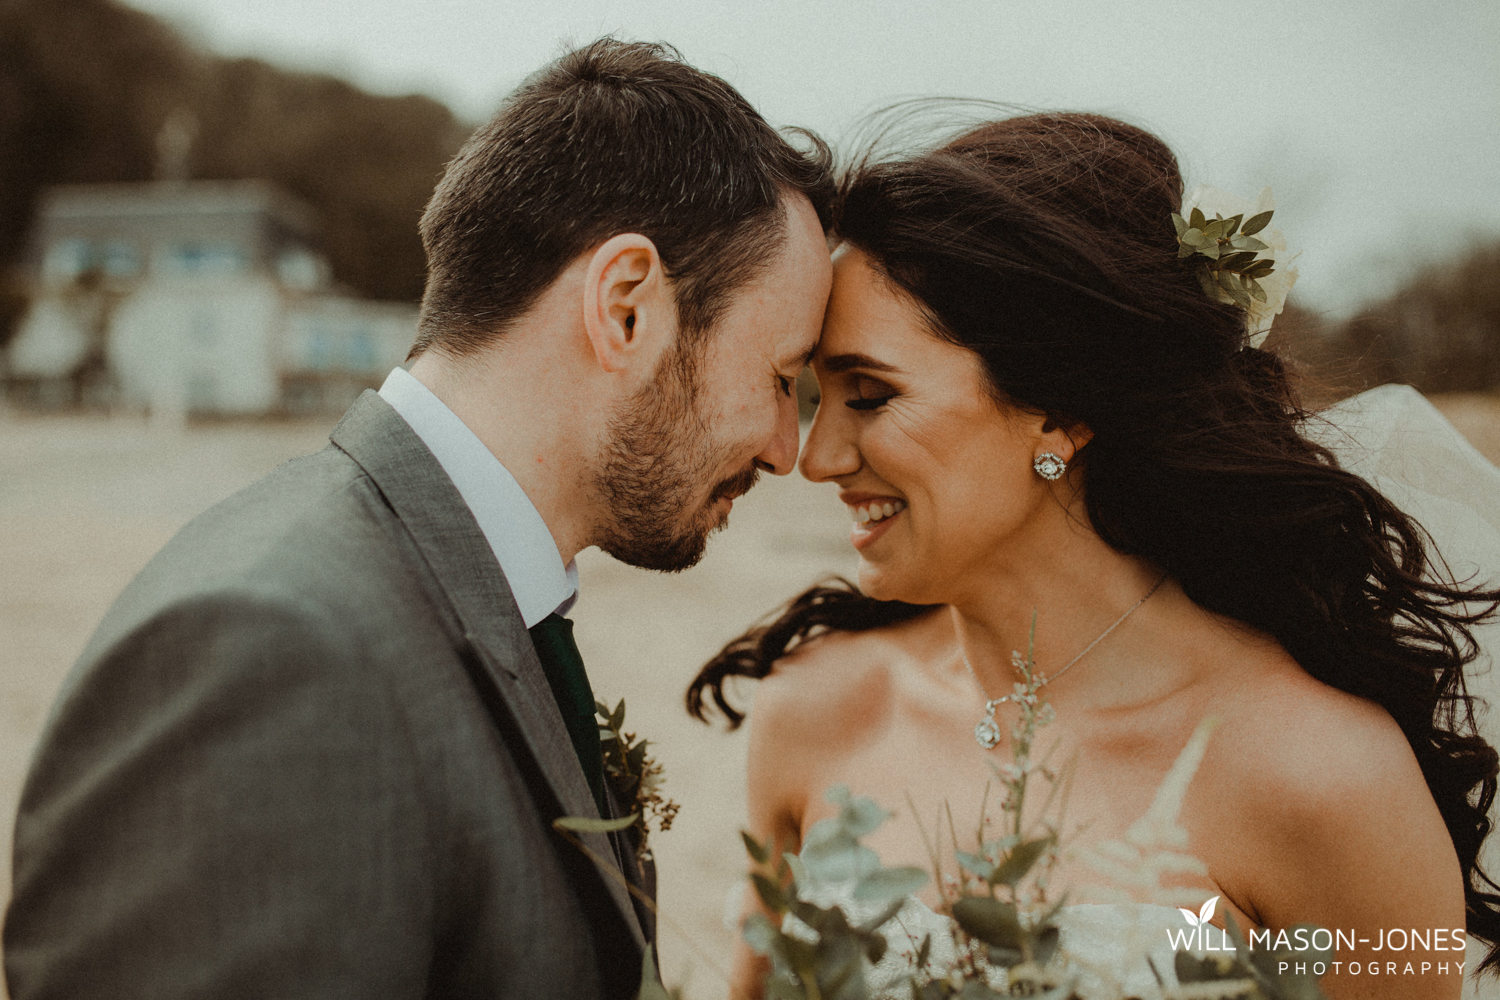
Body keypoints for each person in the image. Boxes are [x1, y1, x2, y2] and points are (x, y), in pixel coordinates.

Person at [5, 39, 833, 999]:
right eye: (781, 380)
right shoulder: (273, 656)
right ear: (626, 307)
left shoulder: (454, 587)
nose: (788, 447)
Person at [688, 112, 1500, 999]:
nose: (818, 456)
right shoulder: (817, 713)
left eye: (871, 395)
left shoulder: (1321, 780)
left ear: (1060, 412)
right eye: (815, 396)